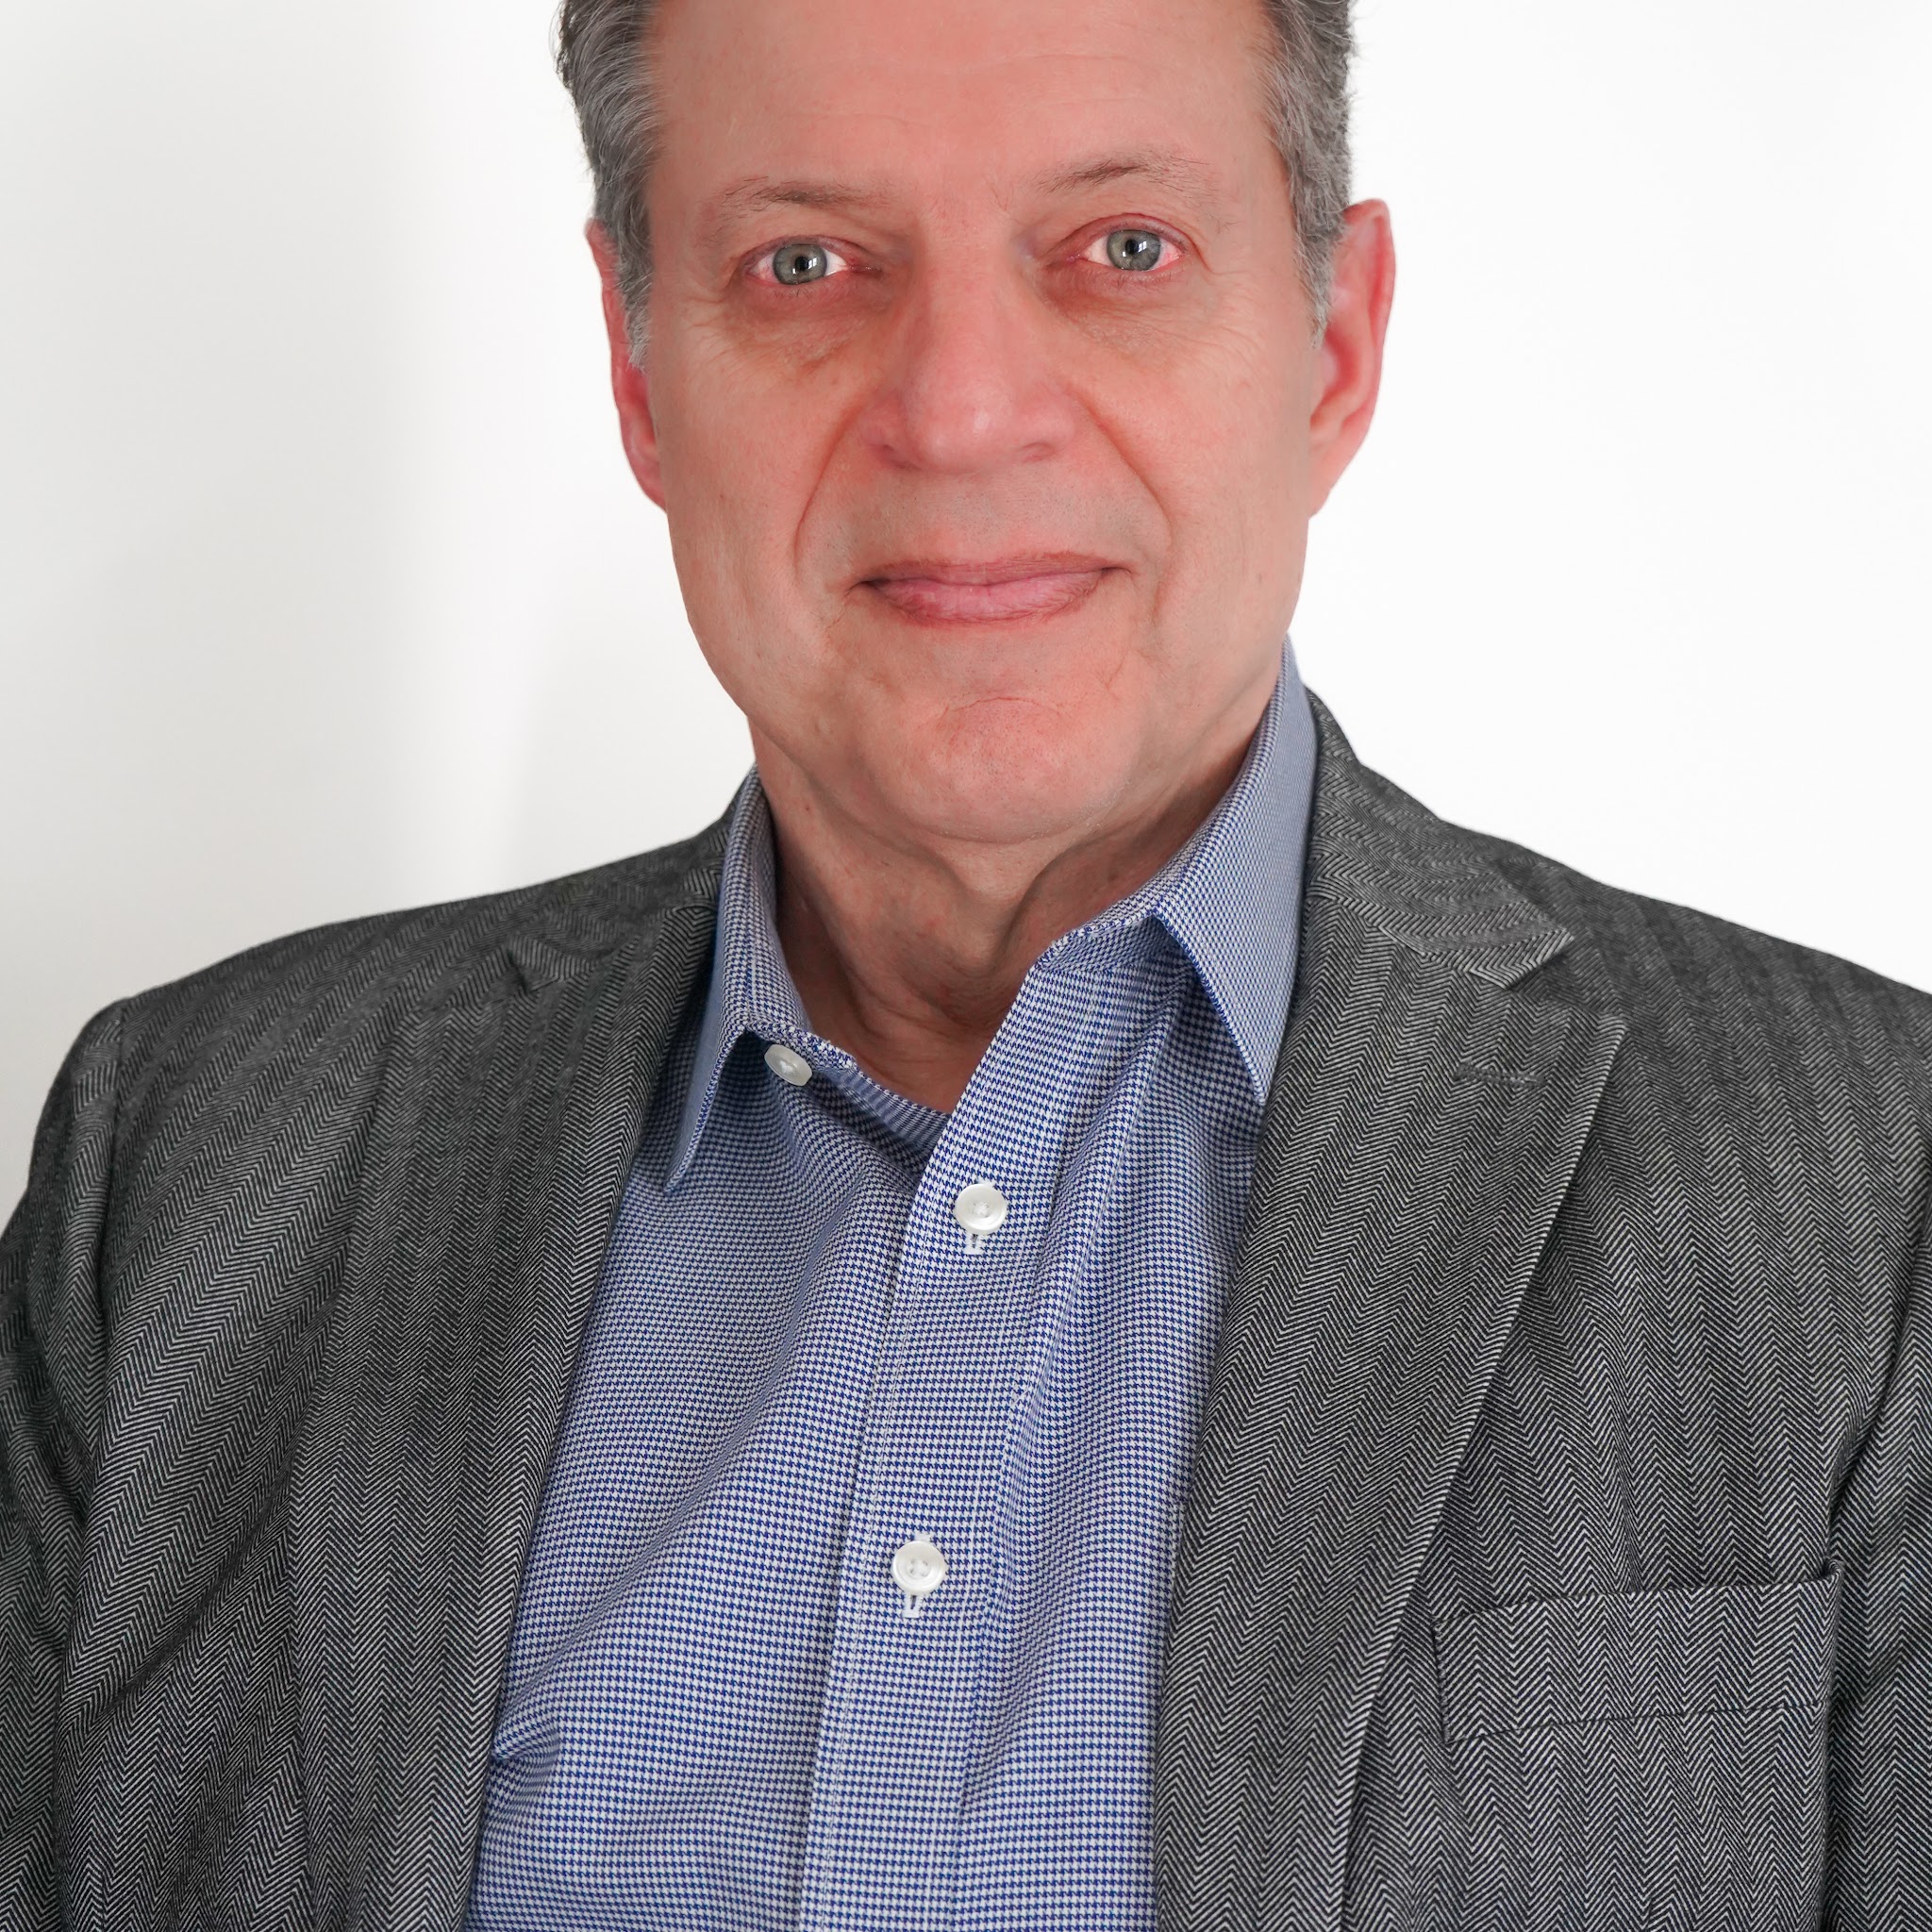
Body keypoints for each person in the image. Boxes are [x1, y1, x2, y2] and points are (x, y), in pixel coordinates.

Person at [3, 0, 1928, 1924]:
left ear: (1334, 345)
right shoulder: (181, 1171)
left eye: (1121, 249)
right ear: (640, 370)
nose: (961, 409)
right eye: (807, 263)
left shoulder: (1867, 1194)